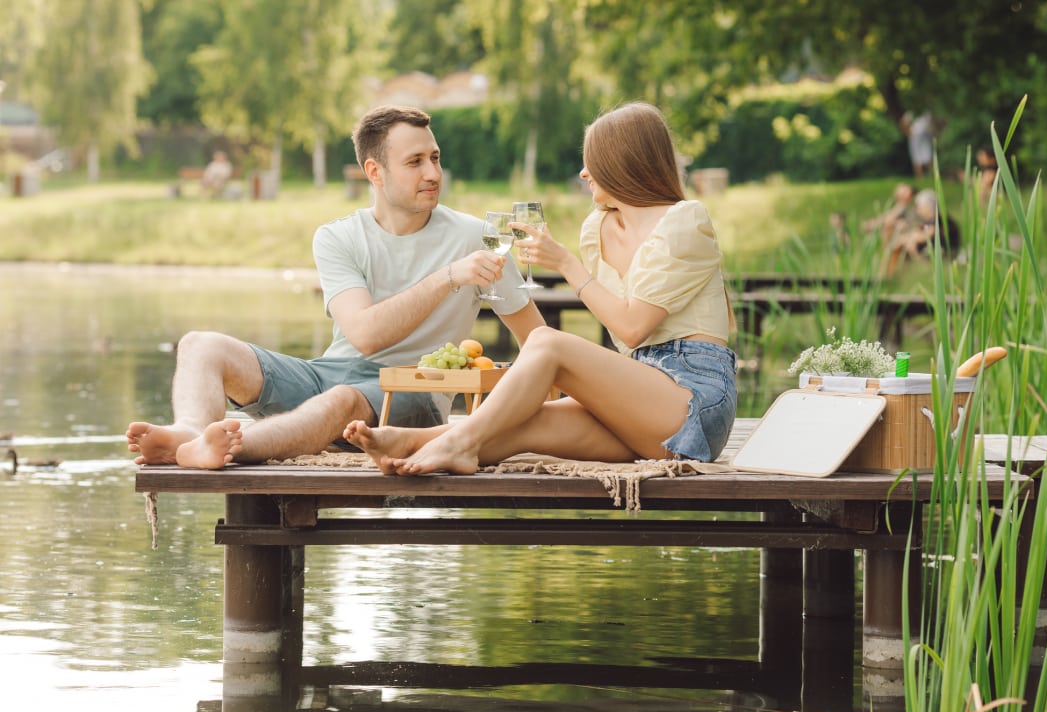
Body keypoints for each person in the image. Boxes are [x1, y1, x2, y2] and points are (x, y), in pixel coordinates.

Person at [126, 105, 544, 469]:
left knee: (341, 400)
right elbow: (363, 335)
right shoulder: (337, 237)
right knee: (201, 343)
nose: (433, 173)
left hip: (412, 394)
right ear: (374, 172)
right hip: (329, 373)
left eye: (434, 158)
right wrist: (449, 276)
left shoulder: (478, 237)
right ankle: (188, 434)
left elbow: (538, 342)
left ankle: (224, 449)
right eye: (415, 161)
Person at [342, 102, 738, 476]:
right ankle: (408, 441)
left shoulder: (686, 222)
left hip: (694, 406)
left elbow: (633, 327)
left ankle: (455, 443)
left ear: (624, 163)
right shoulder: (597, 228)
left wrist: (566, 264)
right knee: (523, 424)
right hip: (641, 402)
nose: (583, 173)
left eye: (592, 160)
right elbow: (624, 340)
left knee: (546, 342)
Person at [883, 189, 960, 275]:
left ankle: (890, 274)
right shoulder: (929, 220)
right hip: (931, 249)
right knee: (903, 245)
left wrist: (906, 239)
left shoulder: (940, 219)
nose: (918, 210)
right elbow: (917, 232)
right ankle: (891, 274)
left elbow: (926, 235)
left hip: (944, 252)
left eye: (919, 207)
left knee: (909, 245)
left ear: (927, 206)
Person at [900, 111, 937, 179]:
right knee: (917, 158)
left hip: (926, 136)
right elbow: (903, 122)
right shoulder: (911, 112)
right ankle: (920, 178)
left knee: (929, 157)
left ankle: (934, 176)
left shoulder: (926, 113)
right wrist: (908, 133)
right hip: (914, 137)